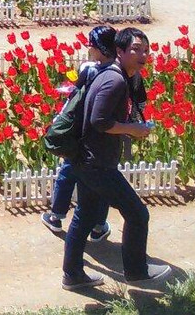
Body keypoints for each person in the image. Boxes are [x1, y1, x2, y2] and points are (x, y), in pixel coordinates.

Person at [61, 27, 171, 291]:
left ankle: (72, 274)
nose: (142, 55)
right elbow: (100, 121)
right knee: (137, 213)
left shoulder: (113, 74)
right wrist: (132, 129)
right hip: (97, 164)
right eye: (135, 49)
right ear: (119, 51)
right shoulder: (116, 80)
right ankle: (136, 271)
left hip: (86, 159)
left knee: (85, 215)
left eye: (145, 50)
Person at [42, 26, 117, 242]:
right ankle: (98, 225)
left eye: (91, 45)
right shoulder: (119, 72)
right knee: (102, 179)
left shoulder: (89, 69)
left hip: (81, 132)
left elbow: (75, 95)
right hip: (105, 136)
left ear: (100, 48)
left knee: (68, 172)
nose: (88, 48)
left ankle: (56, 216)